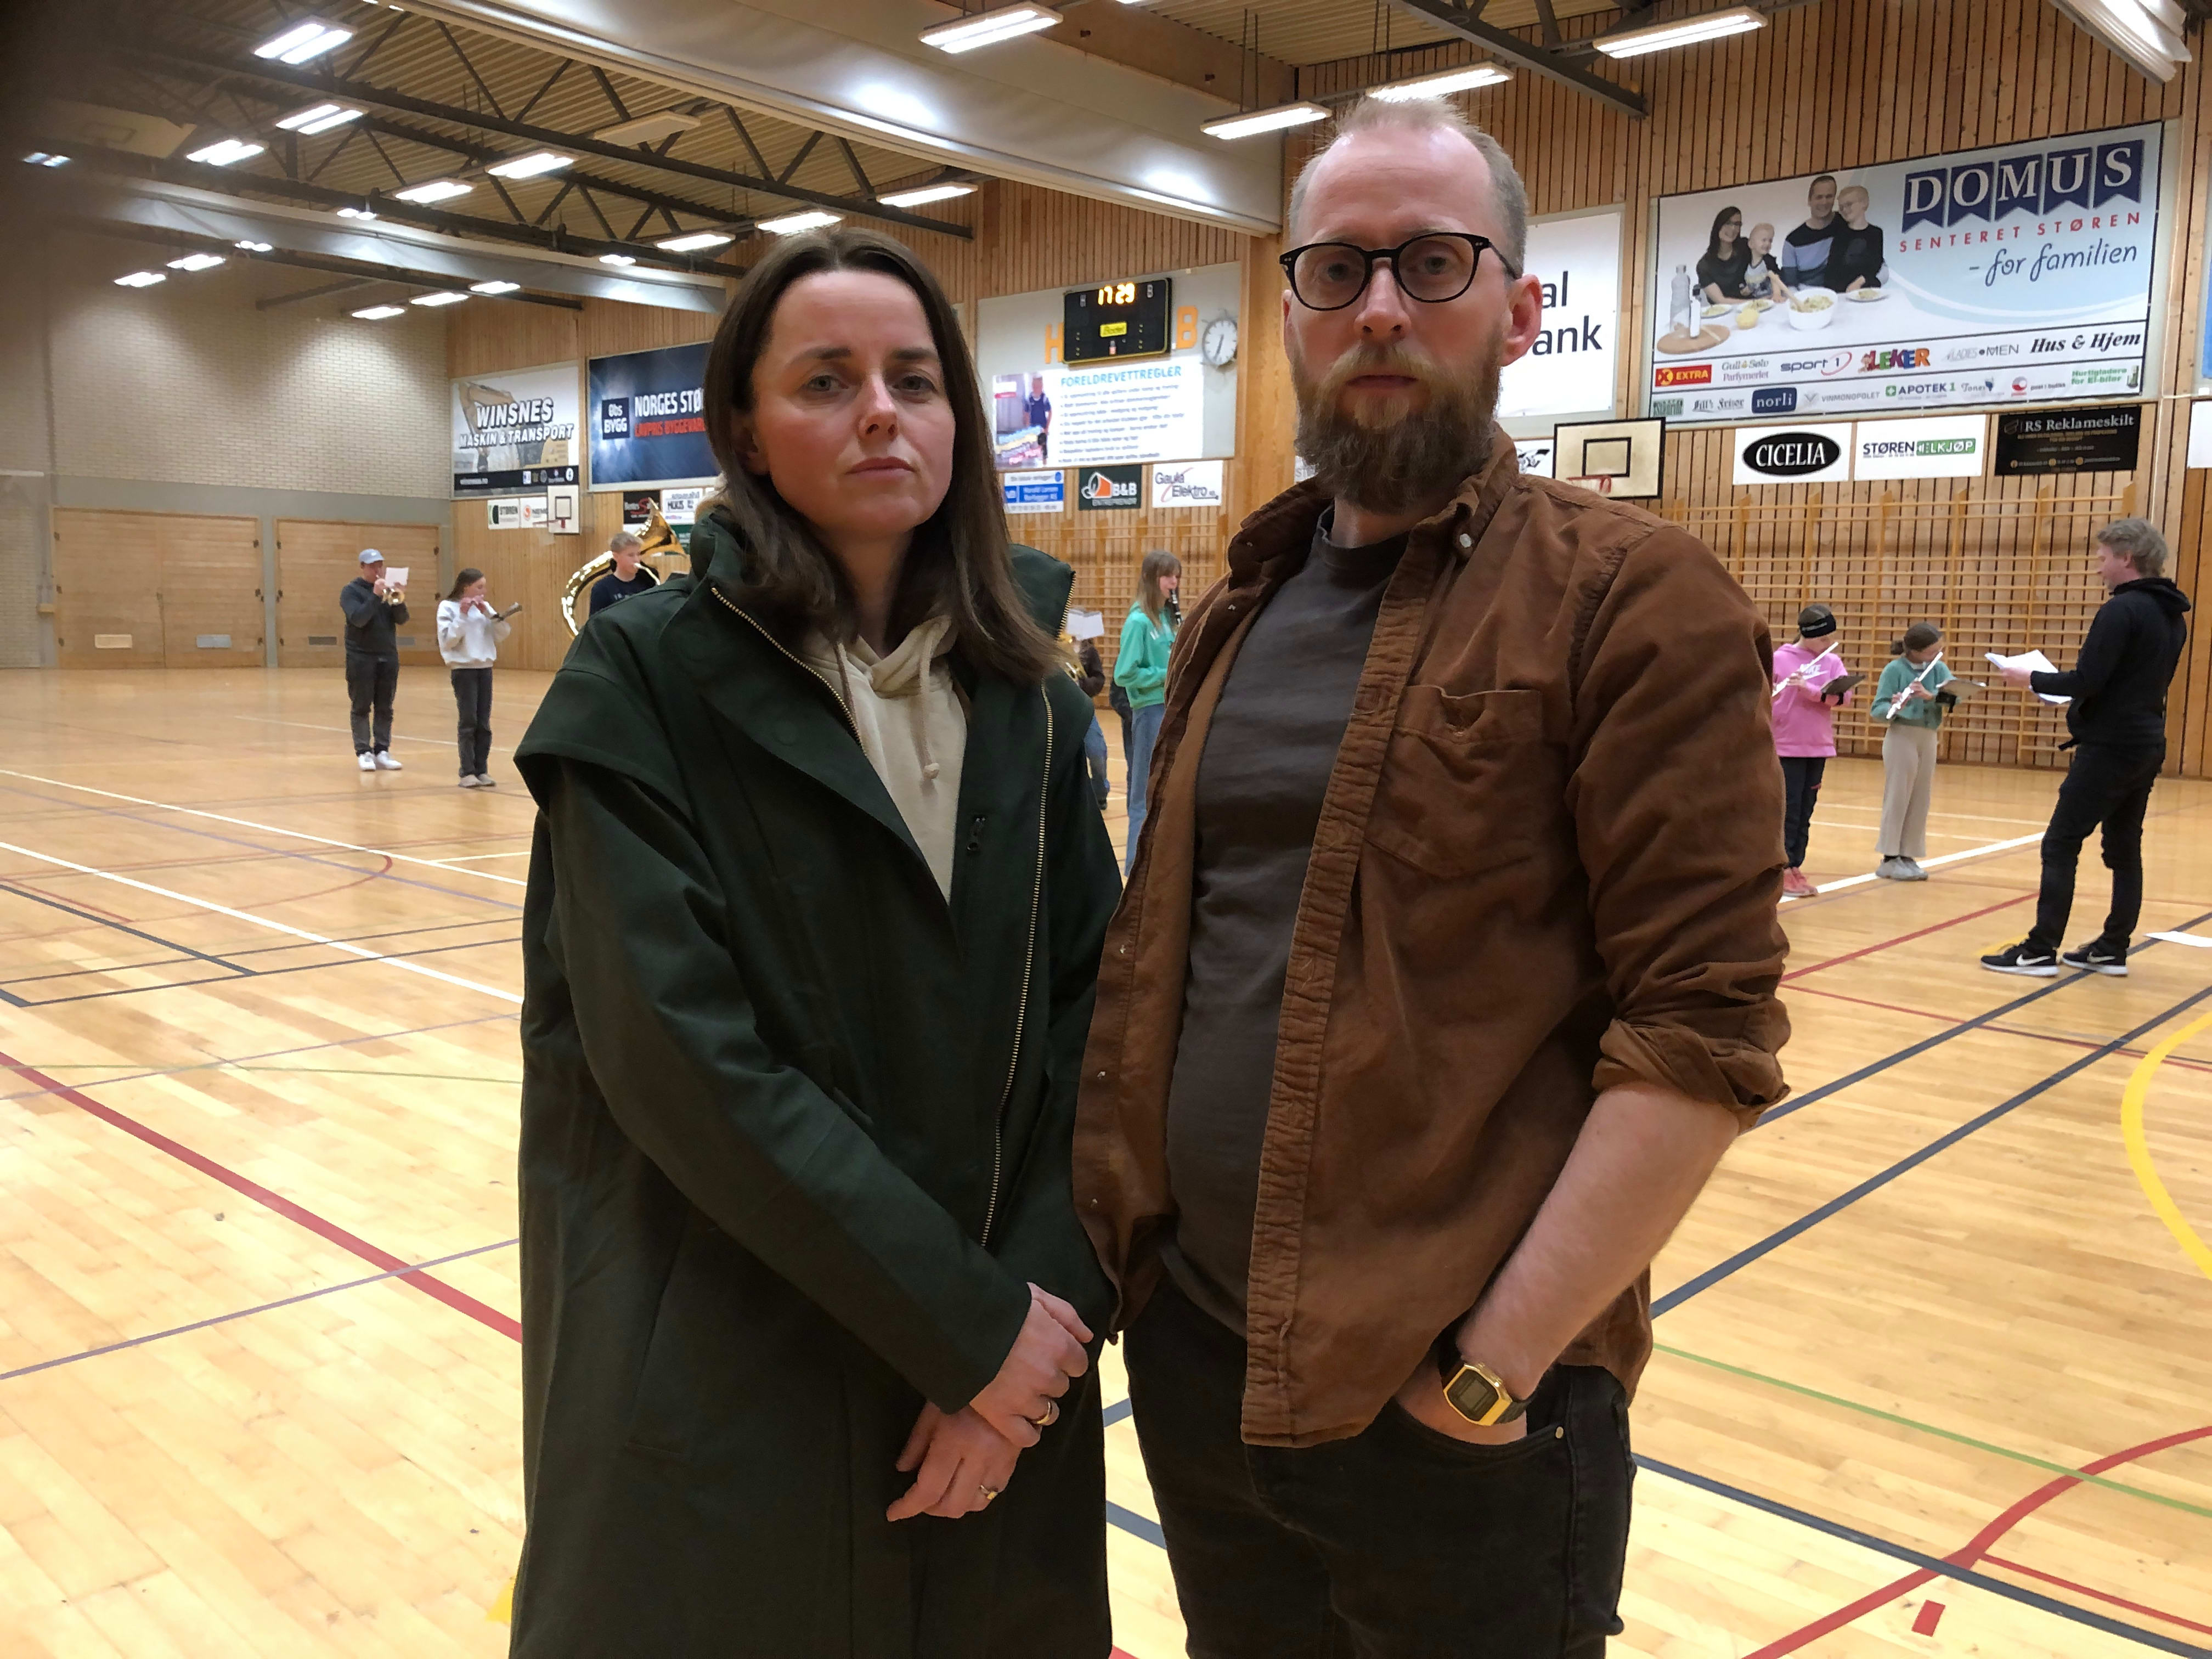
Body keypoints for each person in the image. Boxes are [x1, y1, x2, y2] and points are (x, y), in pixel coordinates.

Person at [1073, 97, 1788, 1659]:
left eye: (1433, 263)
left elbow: (1705, 1032)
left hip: (1455, 1420)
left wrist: (1490, 1369)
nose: (1381, 308)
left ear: (1520, 312)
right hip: (1201, 1365)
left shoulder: (1635, 602)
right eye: (1338, 269)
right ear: (1291, 316)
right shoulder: (1237, 610)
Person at [506, 226, 1122, 1656]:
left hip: (999, 1397)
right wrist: (965, 1328)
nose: (881, 414)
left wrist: (1029, 1346)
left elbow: (1105, 1033)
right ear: (745, 432)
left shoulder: (1034, 706)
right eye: (827, 381)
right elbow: (679, 1058)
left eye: (916, 379)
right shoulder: (642, 681)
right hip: (735, 1374)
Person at [1983, 518, 2192, 977]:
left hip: (2111, 746)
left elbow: (2088, 681)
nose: (2098, 568)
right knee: (2124, 846)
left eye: (2103, 558)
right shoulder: (2171, 615)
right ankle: (2113, 947)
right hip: (2146, 740)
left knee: (2061, 842)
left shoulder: (2121, 611)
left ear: (2126, 558)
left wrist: (2030, 678)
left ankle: (2040, 950)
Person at [1773, 603, 1853, 898]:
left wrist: (1812, 691)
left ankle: (1796, 865)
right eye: (1822, 638)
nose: (1828, 643)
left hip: (1817, 745)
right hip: (1786, 745)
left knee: (1806, 810)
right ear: (1806, 635)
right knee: (1789, 810)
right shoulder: (1779, 659)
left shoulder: (1831, 661)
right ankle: (1781, 869)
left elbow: (1844, 698)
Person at [1114, 550, 1180, 875]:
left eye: (1177, 576)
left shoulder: (1168, 618)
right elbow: (1123, 674)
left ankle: (1158, 863)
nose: (1174, 582)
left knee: (1168, 787)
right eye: (1168, 576)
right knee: (1143, 789)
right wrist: (1165, 674)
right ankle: (1133, 866)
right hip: (1149, 710)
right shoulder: (1138, 621)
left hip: (1170, 707)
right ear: (1152, 579)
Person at [1871, 622, 1953, 881]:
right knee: (1898, 795)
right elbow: (1877, 710)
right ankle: (1889, 857)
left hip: (1928, 736)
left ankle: (1908, 855)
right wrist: (1897, 704)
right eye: (1931, 651)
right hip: (1901, 735)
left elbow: (1954, 698)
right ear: (1914, 651)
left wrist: (1931, 697)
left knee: (1921, 797)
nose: (1937, 655)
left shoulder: (1939, 669)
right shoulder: (1894, 670)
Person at [436, 567, 511, 789]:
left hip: (485, 668)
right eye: (479, 587)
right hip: (464, 669)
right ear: (465, 587)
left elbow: (502, 634)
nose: (483, 592)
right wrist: (462, 615)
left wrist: (489, 614)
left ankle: (482, 770)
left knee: (484, 724)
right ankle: (467, 772)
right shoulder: (447, 607)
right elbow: (448, 641)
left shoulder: (484, 608)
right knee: (468, 721)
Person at [340, 548, 406, 772]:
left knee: (385, 706)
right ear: (362, 567)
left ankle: (382, 750)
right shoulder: (351, 591)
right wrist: (375, 596)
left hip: (387, 655)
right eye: (372, 566)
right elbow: (359, 619)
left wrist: (398, 597)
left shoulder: (388, 590)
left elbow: (402, 619)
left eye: (380, 565)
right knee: (361, 705)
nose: (377, 570)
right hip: (361, 657)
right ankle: (363, 751)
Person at [1779, 172, 1846, 291]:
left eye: (1829, 196)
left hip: (1844, 295)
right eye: (1819, 197)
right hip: (1808, 297)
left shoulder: (1846, 226)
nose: (1824, 202)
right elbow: (1791, 284)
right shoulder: (1793, 241)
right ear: (1809, 201)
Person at [1072, 629, 1111, 811]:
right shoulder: (1056, 647)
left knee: (1097, 752)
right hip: (1062, 711)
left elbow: (1099, 679)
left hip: (1084, 709)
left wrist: (1084, 683)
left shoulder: (1089, 651)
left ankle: (1100, 792)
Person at [1829, 185, 1891, 293]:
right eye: (1841, 207)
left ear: (1864, 203)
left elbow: (1876, 264)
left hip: (1866, 291)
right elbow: (1833, 267)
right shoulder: (1839, 234)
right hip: (1841, 293)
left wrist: (1861, 281)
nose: (1845, 210)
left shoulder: (1876, 233)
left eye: (1849, 204)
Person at [586, 531, 656, 614]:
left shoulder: (648, 582)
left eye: (638, 554)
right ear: (616, 557)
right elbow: (596, 621)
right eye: (631, 555)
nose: (637, 560)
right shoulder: (602, 588)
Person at [1695, 205, 1751, 303]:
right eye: (1728, 223)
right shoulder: (1704, 265)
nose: (1733, 229)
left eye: (1737, 224)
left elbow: (1769, 268)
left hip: (1756, 309)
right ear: (1718, 226)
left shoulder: (1747, 247)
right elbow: (1721, 300)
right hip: (1725, 312)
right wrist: (1756, 303)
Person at [1743, 222, 1790, 302]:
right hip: (1756, 302)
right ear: (1751, 244)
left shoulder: (1768, 260)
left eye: (1770, 241)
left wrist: (1777, 294)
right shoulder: (1746, 263)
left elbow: (1775, 278)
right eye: (1764, 240)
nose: (1768, 243)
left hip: (1772, 298)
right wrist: (1744, 291)